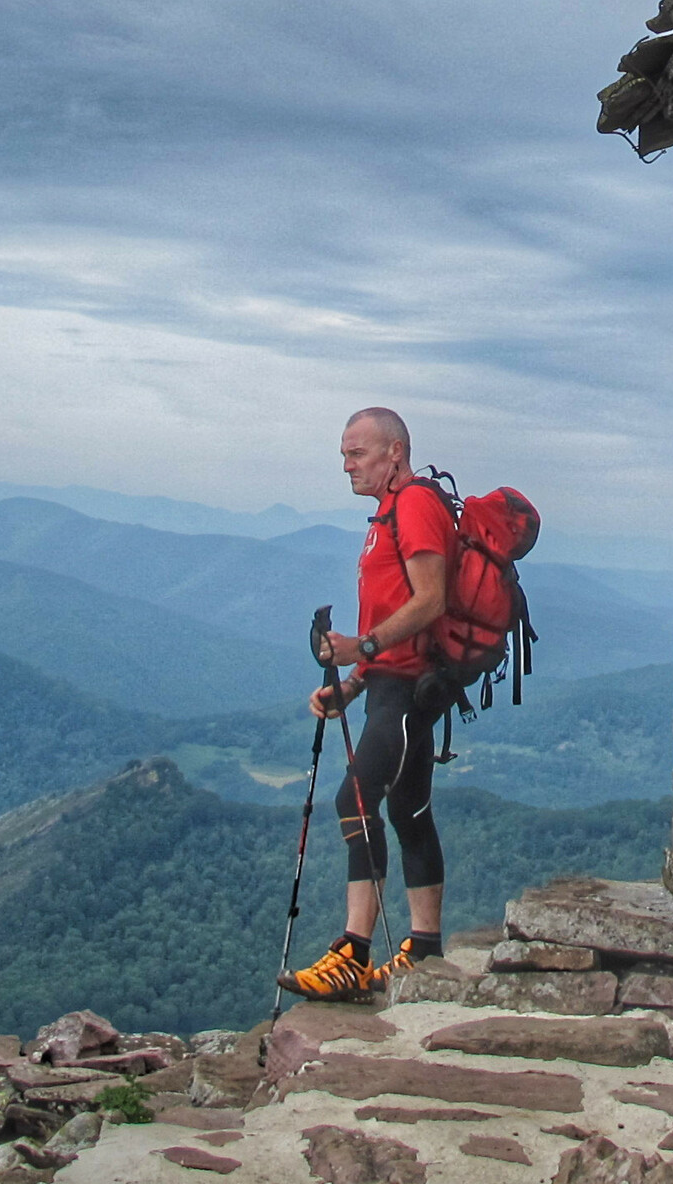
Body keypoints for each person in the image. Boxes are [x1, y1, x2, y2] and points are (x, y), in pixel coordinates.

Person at [277, 406, 457, 1001]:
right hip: (390, 687)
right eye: (344, 454)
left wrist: (365, 647)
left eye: (356, 453)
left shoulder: (416, 507)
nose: (346, 465)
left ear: (394, 454)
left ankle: (352, 953)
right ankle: (424, 949)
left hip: (408, 690)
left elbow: (430, 601)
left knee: (354, 800)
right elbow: (393, 616)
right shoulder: (389, 514)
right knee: (408, 812)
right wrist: (352, 683)